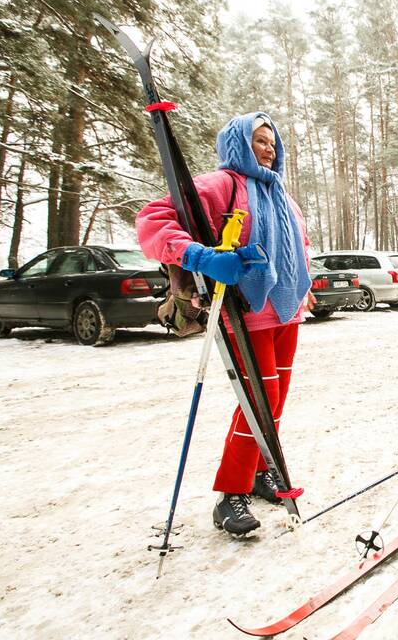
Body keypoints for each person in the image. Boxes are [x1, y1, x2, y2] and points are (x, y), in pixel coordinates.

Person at [137, 112, 312, 536]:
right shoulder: (221, 184)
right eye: (259, 141)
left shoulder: (280, 194)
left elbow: (299, 244)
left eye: (273, 142)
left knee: (274, 401)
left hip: (286, 310)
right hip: (245, 311)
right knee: (259, 399)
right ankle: (230, 493)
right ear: (237, 144)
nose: (269, 149)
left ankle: (257, 473)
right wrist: (201, 257)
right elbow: (152, 221)